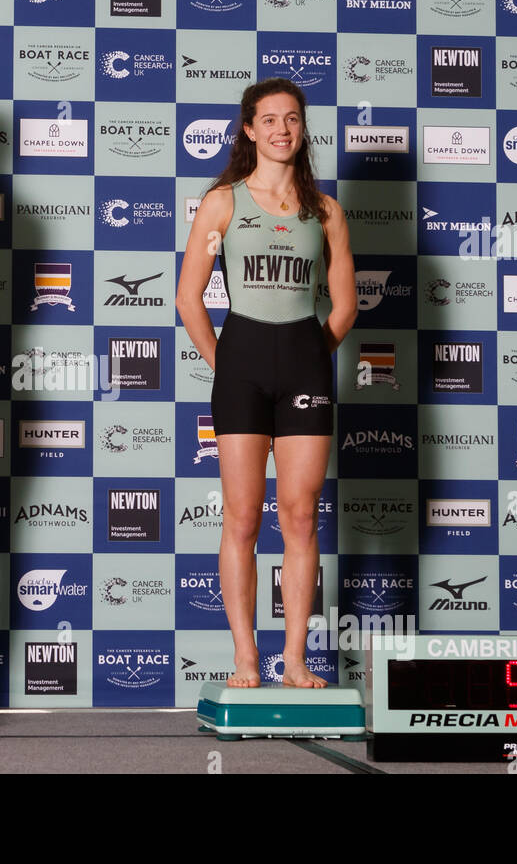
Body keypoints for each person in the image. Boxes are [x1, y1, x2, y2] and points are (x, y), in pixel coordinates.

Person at [176, 78, 357, 689]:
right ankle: (246, 658)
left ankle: (297, 661)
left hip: (305, 367)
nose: (282, 129)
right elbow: (188, 299)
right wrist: (227, 363)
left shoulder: (326, 211)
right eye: (269, 119)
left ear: (302, 129)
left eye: (292, 119)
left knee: (301, 517)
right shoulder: (223, 202)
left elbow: (345, 306)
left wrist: (309, 354)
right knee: (243, 519)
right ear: (249, 130)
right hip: (242, 369)